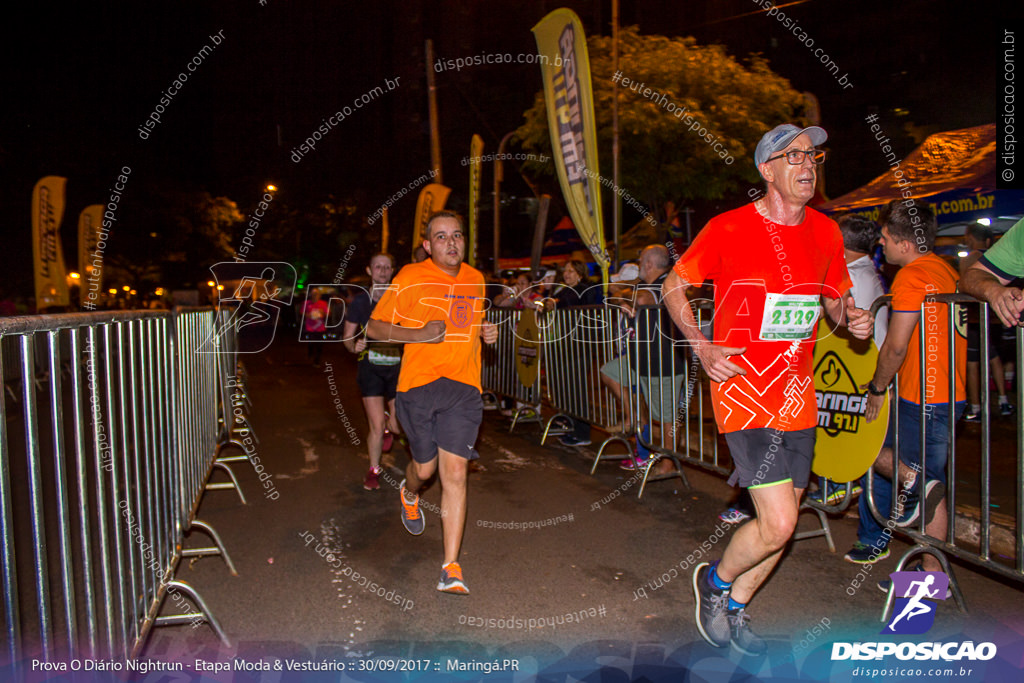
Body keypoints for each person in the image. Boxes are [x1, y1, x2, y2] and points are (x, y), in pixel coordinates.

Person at [663, 123, 872, 655]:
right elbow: (673, 286)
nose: (808, 164)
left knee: (783, 521)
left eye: (813, 154)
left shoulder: (826, 231)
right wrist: (702, 345)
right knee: (779, 524)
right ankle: (713, 583)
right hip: (743, 390)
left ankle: (736, 608)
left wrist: (852, 317)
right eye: (793, 155)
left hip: (798, 393)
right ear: (767, 170)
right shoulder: (728, 228)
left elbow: (833, 300)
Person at [367, 210, 498, 594]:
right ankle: (408, 494)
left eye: (456, 235)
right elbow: (375, 327)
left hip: (463, 389)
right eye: (440, 237)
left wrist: (485, 331)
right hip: (419, 387)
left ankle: (450, 566)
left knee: (454, 474)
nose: (451, 243)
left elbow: (467, 325)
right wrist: (419, 332)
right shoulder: (409, 276)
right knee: (424, 471)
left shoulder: (475, 280)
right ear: (427, 245)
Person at [844, 200, 966, 572]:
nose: (880, 244)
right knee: (890, 462)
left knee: (928, 488)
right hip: (938, 395)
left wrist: (878, 388)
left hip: (926, 399)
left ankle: (930, 579)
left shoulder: (912, 277)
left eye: (884, 238)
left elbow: (896, 344)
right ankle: (884, 540)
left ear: (905, 244)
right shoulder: (944, 270)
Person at [809, 214, 890, 505]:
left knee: (864, 447)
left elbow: (823, 311)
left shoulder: (852, 276)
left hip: (863, 374)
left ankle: (912, 483)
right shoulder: (863, 269)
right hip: (859, 370)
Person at [600, 245, 685, 472]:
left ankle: (668, 461)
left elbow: (645, 298)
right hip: (642, 357)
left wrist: (623, 295)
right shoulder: (649, 284)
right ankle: (636, 418)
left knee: (666, 416)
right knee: (610, 372)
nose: (639, 264)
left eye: (640, 260)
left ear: (648, 264)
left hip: (663, 360)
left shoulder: (667, 281)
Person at [343, 253, 403, 490]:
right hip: (370, 368)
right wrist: (353, 345)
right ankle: (373, 470)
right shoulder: (360, 302)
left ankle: (392, 426)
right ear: (369, 271)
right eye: (378, 267)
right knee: (376, 427)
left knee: (399, 426)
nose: (383, 271)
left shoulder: (401, 299)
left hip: (398, 367)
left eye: (387, 267)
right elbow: (347, 337)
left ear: (392, 271)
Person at [959, 223, 1013, 420]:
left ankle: (975, 407)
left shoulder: (972, 259)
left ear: (970, 237)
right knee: (994, 357)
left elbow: (963, 285)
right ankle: (1003, 400)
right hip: (994, 318)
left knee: (972, 362)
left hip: (974, 318)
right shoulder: (997, 258)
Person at [553, 259, 604, 447]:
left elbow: (567, 302)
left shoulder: (584, 288)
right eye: (565, 270)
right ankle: (571, 424)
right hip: (567, 345)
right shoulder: (565, 289)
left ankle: (582, 433)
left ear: (580, 274)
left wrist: (552, 303)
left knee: (578, 387)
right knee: (568, 386)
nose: (567, 274)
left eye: (572, 271)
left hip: (580, 346)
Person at [301, 288, 329, 367]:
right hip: (310, 327)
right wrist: (308, 315)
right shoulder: (306, 303)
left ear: (319, 295)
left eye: (316, 294)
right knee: (311, 343)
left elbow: (328, 314)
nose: (315, 296)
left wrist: (322, 312)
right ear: (311, 295)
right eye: (313, 294)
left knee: (319, 345)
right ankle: (310, 353)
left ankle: (317, 361)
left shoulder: (323, 303)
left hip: (320, 328)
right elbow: (302, 312)